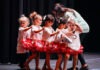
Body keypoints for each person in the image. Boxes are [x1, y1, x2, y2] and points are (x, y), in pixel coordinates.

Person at [52, 3, 89, 70]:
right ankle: (77, 65)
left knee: (76, 47)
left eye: (56, 13)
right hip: (83, 27)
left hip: (81, 29)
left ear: (59, 12)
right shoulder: (69, 11)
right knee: (77, 46)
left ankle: (83, 64)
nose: (56, 15)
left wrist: (71, 31)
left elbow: (73, 23)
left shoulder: (67, 14)